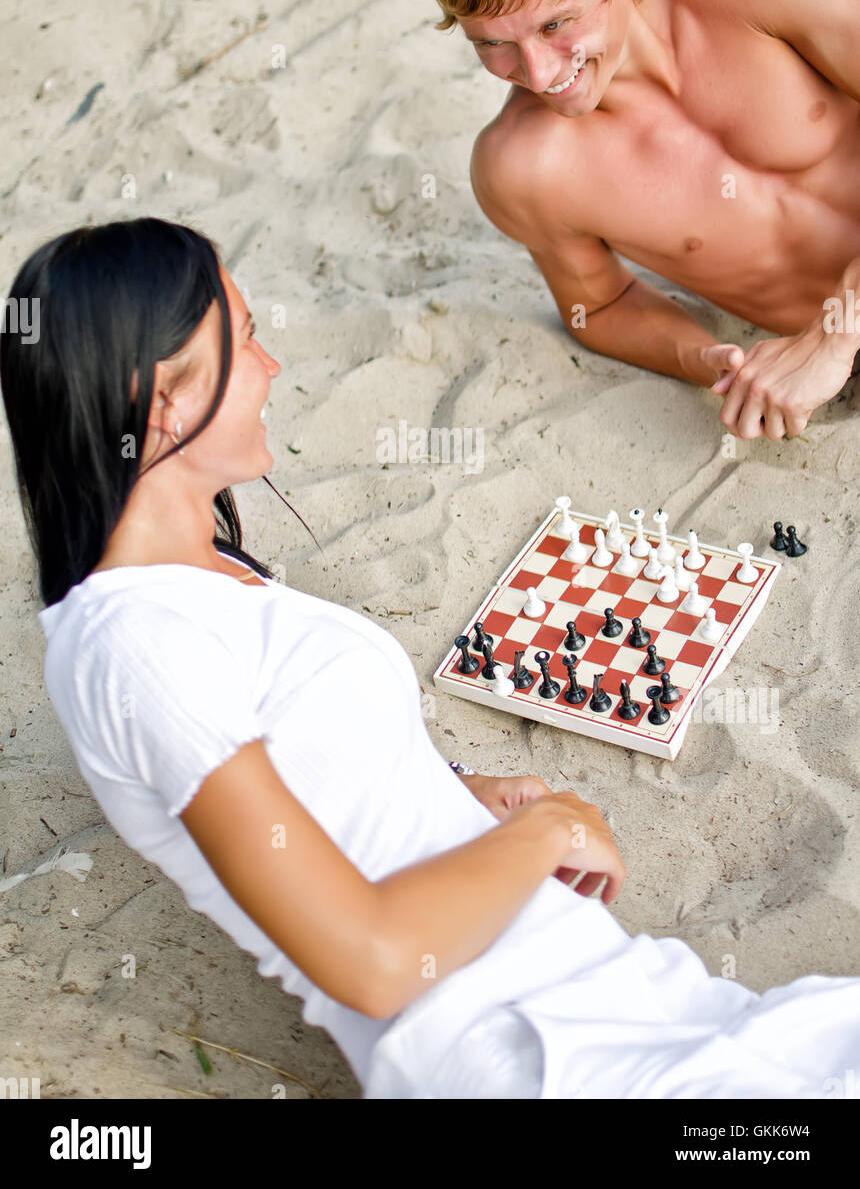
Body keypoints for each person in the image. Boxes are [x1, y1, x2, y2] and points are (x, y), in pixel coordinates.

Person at [2, 216, 859, 1100]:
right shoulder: (134, 647)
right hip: (526, 1055)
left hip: (620, 1003)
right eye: (248, 339)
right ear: (164, 400)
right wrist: (543, 836)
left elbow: (319, 786)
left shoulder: (194, 581)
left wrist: (455, 794)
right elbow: (371, 962)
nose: (272, 367)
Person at [421, 0, 860, 443]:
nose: (542, 73)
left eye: (556, 24)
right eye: (492, 44)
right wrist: (710, 361)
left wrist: (836, 335)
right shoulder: (521, 168)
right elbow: (599, 307)